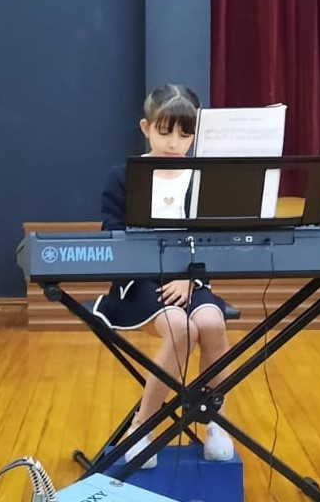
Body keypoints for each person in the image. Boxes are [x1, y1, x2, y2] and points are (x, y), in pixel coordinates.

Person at [93, 84, 234, 468]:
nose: (174, 143)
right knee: (180, 328)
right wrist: (157, 272)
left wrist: (189, 278)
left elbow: (213, 239)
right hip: (138, 281)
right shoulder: (124, 176)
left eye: (185, 134)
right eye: (165, 131)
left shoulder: (203, 178)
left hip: (190, 278)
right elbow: (113, 237)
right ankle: (143, 427)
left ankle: (215, 421)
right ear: (146, 127)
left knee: (211, 323)